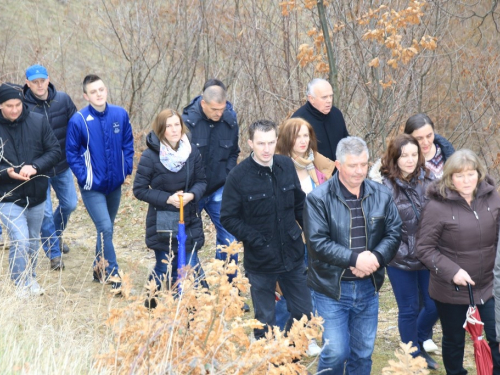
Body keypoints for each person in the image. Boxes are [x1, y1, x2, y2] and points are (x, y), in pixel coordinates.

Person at [303, 136, 402, 374]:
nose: (360, 171)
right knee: (336, 352)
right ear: (338, 165)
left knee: (363, 353)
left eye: (364, 164)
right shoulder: (318, 198)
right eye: (352, 165)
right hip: (331, 289)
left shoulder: (382, 194)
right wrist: (355, 259)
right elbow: (317, 242)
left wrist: (376, 258)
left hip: (368, 287)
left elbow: (394, 232)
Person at [220, 119, 312, 340]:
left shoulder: (286, 166)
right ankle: (266, 364)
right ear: (250, 143)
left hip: (292, 255)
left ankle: (288, 359)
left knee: (305, 314)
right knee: (264, 322)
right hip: (260, 261)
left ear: (277, 141)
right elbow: (228, 217)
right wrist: (256, 240)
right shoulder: (238, 177)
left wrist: (311, 233)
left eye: (271, 142)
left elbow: (299, 205)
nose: (267, 149)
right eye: (261, 143)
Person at [416, 149, 500, 374]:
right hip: (452, 289)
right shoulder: (437, 206)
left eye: (471, 174)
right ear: (450, 177)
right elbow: (423, 248)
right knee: (454, 341)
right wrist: (452, 271)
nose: (466, 180)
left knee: (496, 337)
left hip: (489, 286)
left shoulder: (493, 198)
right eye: (459, 175)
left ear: (479, 174)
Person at [369, 134, 438, 369]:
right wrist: (397, 249)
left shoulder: (429, 179)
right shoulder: (383, 186)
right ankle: (413, 354)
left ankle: (416, 341)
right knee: (408, 309)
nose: (410, 160)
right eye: (404, 155)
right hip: (399, 258)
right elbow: (379, 226)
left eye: (414, 155)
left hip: (428, 255)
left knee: (434, 305)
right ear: (394, 157)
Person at [66, 74, 134, 290]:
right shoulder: (78, 120)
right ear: (86, 95)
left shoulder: (120, 114)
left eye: (101, 89)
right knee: (104, 226)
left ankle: (98, 270)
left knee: (106, 229)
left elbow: (128, 143)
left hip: (114, 184)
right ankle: (114, 276)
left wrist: (125, 170)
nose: (98, 94)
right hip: (92, 187)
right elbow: (72, 154)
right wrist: (85, 177)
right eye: (93, 91)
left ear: (106, 90)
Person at [133, 109, 207, 307]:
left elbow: (202, 181)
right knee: (164, 267)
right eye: (168, 126)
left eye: (177, 124)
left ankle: (195, 308)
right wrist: (168, 199)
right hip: (162, 219)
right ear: (161, 129)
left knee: (190, 265)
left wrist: (191, 195)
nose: (174, 130)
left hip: (188, 218)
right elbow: (139, 190)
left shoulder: (191, 152)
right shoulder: (150, 156)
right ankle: (150, 303)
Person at [274, 117, 335, 354]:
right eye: (297, 136)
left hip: (319, 239)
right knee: (291, 292)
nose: (302, 141)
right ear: (287, 139)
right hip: (292, 240)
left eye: (306, 135)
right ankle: (284, 339)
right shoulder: (279, 166)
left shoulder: (315, 164)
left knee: (317, 291)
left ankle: (309, 336)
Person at [182, 80, 244, 303]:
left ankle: (228, 290)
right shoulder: (186, 121)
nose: (219, 113)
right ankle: (199, 288)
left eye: (222, 108)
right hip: (192, 191)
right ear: (203, 102)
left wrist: (229, 176)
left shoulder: (230, 119)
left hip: (219, 188)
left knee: (230, 239)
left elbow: (233, 152)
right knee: (189, 239)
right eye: (214, 109)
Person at [0, 83, 61, 296]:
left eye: (18, 104)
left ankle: (31, 278)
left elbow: (54, 151)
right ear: (0, 106)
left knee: (33, 239)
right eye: (9, 106)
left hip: (36, 192)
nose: (15, 109)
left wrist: (35, 167)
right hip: (7, 196)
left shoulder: (38, 121)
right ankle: (19, 284)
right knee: (20, 238)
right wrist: (6, 173)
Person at [23, 64, 78, 271]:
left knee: (70, 204)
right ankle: (54, 254)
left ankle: (54, 235)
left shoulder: (62, 99)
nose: (39, 85)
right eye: (34, 82)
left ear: (48, 79)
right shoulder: (22, 106)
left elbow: (77, 128)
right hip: (38, 169)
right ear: (27, 83)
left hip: (62, 165)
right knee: (44, 213)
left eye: (42, 81)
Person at [291, 78, 349, 161]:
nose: (329, 100)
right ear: (311, 99)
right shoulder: (298, 120)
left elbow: (346, 142)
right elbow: (293, 155)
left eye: (331, 96)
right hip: (311, 171)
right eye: (324, 97)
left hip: (339, 171)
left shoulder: (336, 114)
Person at [404, 113, 455, 179]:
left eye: (429, 136)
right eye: (419, 138)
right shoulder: (402, 162)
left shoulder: (447, 152)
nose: (425, 142)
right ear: (408, 138)